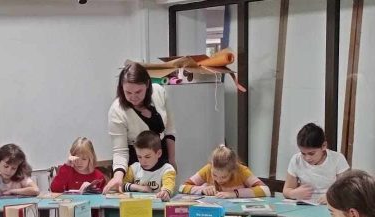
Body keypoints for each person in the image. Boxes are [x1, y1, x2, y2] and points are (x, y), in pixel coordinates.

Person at [103, 62, 176, 194]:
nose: (133, 97)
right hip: (136, 161)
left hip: (160, 155)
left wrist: (172, 160)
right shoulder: (117, 110)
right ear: (121, 88)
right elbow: (120, 151)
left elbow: (169, 131)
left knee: (164, 193)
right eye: (128, 92)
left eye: (138, 91)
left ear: (147, 85)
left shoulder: (159, 92)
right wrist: (118, 177)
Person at [282, 123, 350, 202]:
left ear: (324, 146)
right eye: (303, 153)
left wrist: (332, 197)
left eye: (311, 153)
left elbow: (347, 190)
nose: (307, 158)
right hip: (305, 204)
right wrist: (294, 193)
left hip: (330, 205)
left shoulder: (337, 159)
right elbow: (286, 190)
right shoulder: (296, 159)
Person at [180, 145, 270, 198]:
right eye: (214, 175)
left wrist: (234, 194)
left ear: (233, 171)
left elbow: (265, 190)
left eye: (224, 177)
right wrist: (202, 190)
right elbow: (182, 187)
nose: (218, 180)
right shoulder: (207, 169)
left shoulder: (241, 171)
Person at [120, 131, 177, 200]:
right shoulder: (134, 168)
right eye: (139, 157)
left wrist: (165, 192)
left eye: (147, 157)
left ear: (158, 153)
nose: (143, 161)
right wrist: (139, 188)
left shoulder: (167, 169)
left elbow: (168, 186)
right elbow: (121, 185)